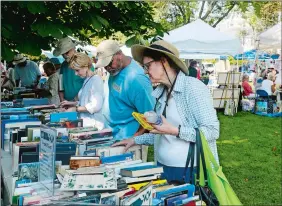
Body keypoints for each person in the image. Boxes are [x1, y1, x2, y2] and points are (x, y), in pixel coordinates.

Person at [113, 40, 219, 182]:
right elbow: (161, 134)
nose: (145, 71)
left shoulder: (193, 87)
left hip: (191, 170)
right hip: (163, 168)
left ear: (164, 61)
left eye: (148, 66)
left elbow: (212, 131)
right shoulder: (161, 92)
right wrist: (134, 140)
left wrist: (175, 130)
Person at [95, 40, 155, 140]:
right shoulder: (115, 70)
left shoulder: (136, 79)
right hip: (111, 135)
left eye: (109, 63)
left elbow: (150, 116)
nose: (107, 68)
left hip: (127, 139)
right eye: (104, 65)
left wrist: (133, 139)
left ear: (119, 55)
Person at [60, 53, 105, 130]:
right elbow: (85, 101)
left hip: (94, 125)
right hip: (86, 123)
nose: (76, 74)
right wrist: (71, 103)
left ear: (85, 66)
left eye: (77, 70)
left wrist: (75, 108)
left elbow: (95, 106)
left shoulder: (96, 80)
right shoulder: (87, 80)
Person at [53, 37, 84, 102]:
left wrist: (75, 100)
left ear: (73, 49)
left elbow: (89, 83)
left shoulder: (84, 62)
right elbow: (61, 85)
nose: (65, 56)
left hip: (81, 101)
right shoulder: (63, 65)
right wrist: (62, 100)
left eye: (67, 52)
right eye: (62, 54)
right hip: (66, 102)